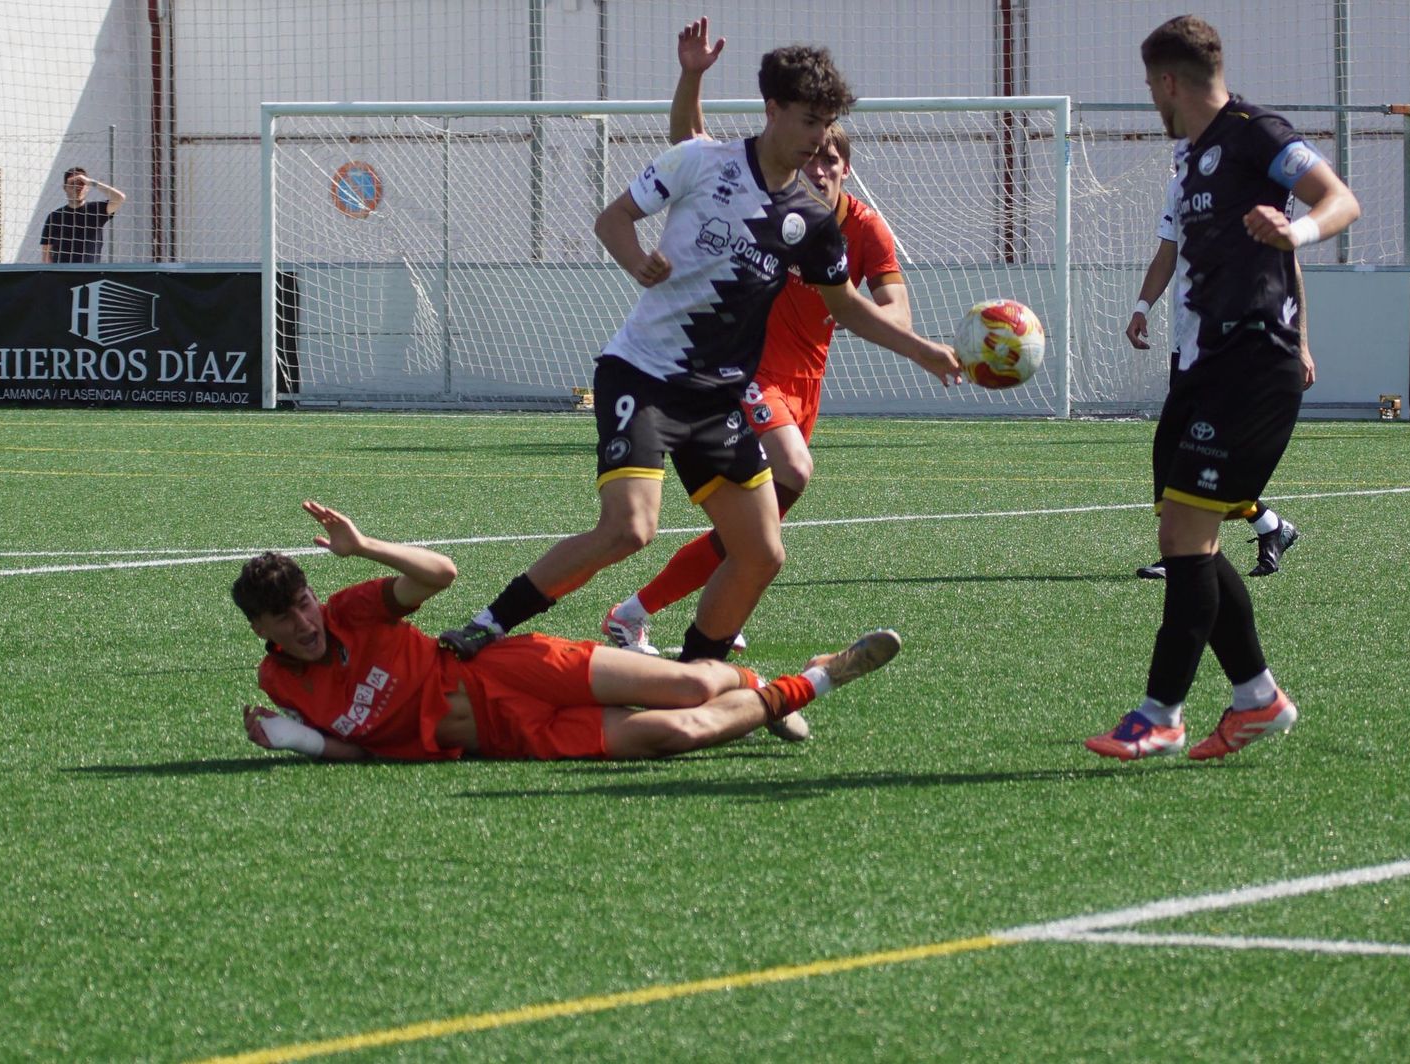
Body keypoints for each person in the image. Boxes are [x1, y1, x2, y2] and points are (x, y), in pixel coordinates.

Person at [436, 34, 959, 677]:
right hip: (645, 374)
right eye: (808, 121)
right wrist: (638, 261)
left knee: (763, 553)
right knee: (630, 529)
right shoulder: (703, 163)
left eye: (827, 126)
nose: (819, 140)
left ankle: (699, 672)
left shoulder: (814, 221)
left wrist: (925, 352)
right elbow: (614, 219)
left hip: (719, 399)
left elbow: (847, 307)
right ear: (772, 109)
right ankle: (487, 624)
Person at [602, 19, 916, 687]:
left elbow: (891, 302)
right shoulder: (753, 188)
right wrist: (691, 76)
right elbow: (693, 146)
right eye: (815, 145)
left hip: (806, 386)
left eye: (834, 155)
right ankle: (705, 633)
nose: (820, 159)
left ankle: (648, 610)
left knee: (765, 531)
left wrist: (921, 342)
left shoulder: (853, 228)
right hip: (744, 376)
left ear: (846, 167)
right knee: (792, 474)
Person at [1086, 15, 1359, 762]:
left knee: (1186, 537)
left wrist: (1297, 233)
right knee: (1186, 539)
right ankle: (1257, 699)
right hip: (1210, 368)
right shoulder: (1194, 155)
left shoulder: (1252, 132)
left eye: (1151, 86)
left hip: (1253, 365)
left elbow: (1338, 198)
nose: (1151, 99)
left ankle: (1160, 715)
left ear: (1170, 81)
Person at [235, 501, 902, 762]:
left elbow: (440, 573)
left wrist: (365, 546)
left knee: (689, 683)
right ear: (261, 631)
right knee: (675, 732)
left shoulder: (352, 608)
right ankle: (813, 680)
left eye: (302, 604)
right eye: (283, 619)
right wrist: (295, 740)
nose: (302, 624)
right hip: (507, 735)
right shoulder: (280, 681)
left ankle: (753, 685)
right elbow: (360, 754)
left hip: (504, 668)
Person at [1127, 139, 1303, 581]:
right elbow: (1167, 255)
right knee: (1176, 454)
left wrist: (1300, 343)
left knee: (1207, 454)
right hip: (1188, 346)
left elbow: (1288, 266)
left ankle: (1185, 557)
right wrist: (1141, 308)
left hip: (1239, 347)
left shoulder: (1255, 196)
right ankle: (1269, 527)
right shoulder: (1179, 189)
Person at [40, 167, 125, 264]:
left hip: (90, 273)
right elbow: (46, 255)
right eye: (73, 184)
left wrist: (91, 182)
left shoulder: (97, 210)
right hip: (62, 274)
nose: (77, 187)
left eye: (81, 183)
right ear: (65, 188)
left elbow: (120, 198)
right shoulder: (54, 217)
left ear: (87, 187)